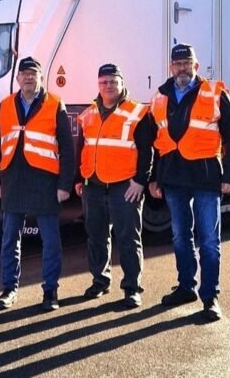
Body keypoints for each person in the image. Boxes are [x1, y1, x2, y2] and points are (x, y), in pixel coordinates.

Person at [145, 43, 230, 322]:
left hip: (205, 176)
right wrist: (153, 177)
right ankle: (186, 286)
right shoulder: (160, 97)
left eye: (187, 63)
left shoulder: (214, 93)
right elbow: (152, 141)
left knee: (209, 240)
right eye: (178, 64)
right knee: (180, 236)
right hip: (174, 177)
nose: (182, 68)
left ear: (196, 66)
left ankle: (210, 297)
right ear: (170, 68)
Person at [0, 56, 76, 312]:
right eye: (24, 73)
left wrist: (64, 185)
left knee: (50, 240)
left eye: (33, 73)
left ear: (41, 78)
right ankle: (8, 289)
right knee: (9, 239)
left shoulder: (55, 104)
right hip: (12, 179)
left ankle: (50, 291)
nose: (28, 77)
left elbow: (67, 148)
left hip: (45, 181)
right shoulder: (6, 105)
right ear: (18, 79)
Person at [75, 63, 150, 309]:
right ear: (98, 85)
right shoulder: (88, 114)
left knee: (128, 238)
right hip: (93, 185)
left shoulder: (137, 112)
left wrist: (140, 181)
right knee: (96, 236)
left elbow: (148, 151)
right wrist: (78, 179)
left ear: (121, 83)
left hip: (124, 186)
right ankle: (100, 280)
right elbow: (80, 149)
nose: (108, 86)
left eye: (112, 81)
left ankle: (132, 288)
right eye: (104, 82)